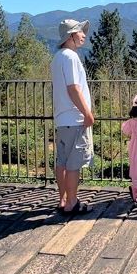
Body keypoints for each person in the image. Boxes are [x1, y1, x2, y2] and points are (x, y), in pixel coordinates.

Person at [51, 18, 94, 215]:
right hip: (75, 118)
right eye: (80, 31)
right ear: (71, 36)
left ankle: (62, 200)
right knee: (74, 164)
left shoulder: (57, 57)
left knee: (62, 162)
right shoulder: (71, 57)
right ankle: (72, 203)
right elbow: (74, 88)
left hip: (62, 119)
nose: (83, 34)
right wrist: (87, 113)